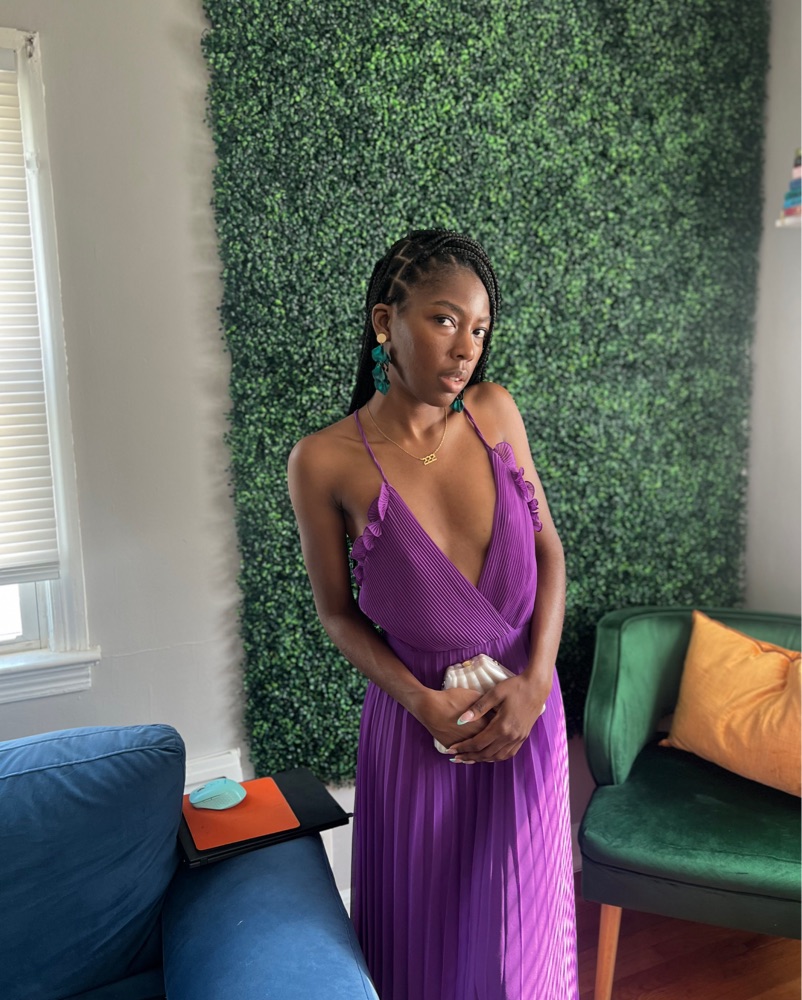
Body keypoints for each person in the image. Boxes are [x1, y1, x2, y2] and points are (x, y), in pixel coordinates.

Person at [288, 229, 578, 1000]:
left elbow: (550, 553)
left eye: (479, 329)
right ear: (386, 322)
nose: (465, 349)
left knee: (522, 952)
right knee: (423, 942)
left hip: (525, 715)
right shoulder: (324, 460)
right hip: (420, 730)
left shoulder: (495, 412)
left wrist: (536, 683)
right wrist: (421, 703)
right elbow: (337, 615)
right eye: (445, 320)